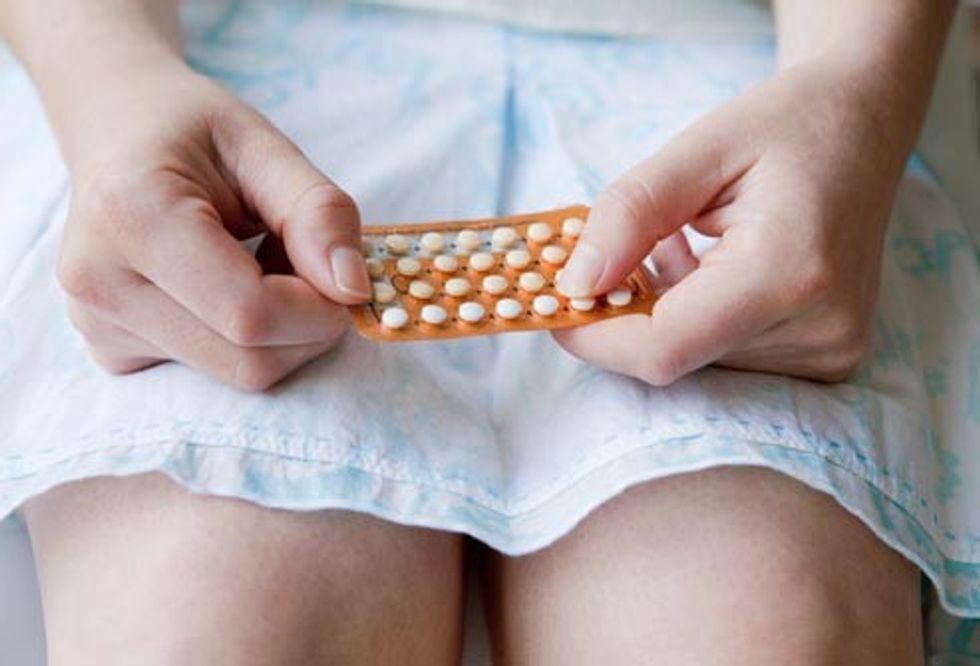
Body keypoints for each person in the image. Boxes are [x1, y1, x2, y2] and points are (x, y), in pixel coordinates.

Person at [0, 0, 975, 664]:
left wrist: (852, 92)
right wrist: (111, 84)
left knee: (755, 627)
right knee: (218, 624)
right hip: (220, 80)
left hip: (749, 78)